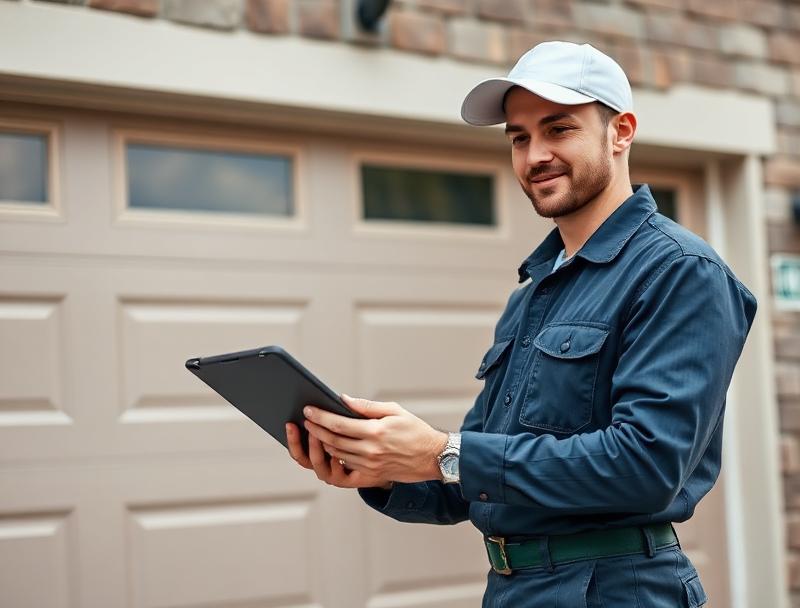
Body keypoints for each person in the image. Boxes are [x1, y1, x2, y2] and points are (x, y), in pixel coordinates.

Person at [285, 41, 757, 607]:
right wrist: (381, 469)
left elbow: (647, 464)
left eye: (559, 129)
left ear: (621, 131)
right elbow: (471, 482)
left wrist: (443, 451)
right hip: (515, 590)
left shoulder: (680, 272)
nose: (535, 155)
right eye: (519, 137)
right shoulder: (536, 291)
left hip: (617, 590)